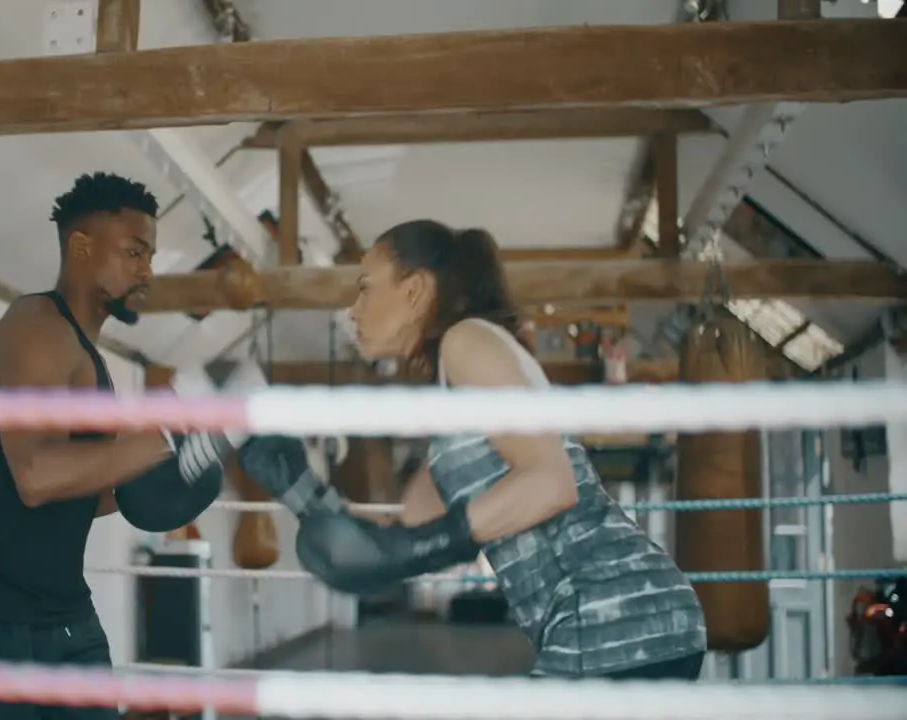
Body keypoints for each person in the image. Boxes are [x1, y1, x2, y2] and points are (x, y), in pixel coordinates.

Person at [238, 219, 708, 681]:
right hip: (607, 619)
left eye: (365, 288)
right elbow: (397, 540)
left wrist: (423, 542)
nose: (353, 311)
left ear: (415, 289)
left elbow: (551, 483)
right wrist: (301, 490)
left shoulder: (468, 340)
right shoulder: (454, 417)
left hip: (614, 609)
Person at [0, 172, 243, 719]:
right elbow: (36, 477)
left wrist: (177, 469)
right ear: (81, 247)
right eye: (134, 252)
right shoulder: (34, 329)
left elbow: (97, 492)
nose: (147, 270)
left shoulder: (94, 361)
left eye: (150, 255)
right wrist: (168, 432)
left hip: (60, 616)